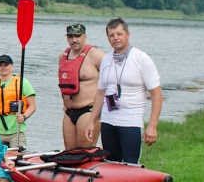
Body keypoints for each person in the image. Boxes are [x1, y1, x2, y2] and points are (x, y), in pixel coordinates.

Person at [86, 18, 162, 163]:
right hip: (108, 121)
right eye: (111, 35)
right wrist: (91, 122)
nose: (115, 38)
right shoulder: (106, 60)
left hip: (131, 121)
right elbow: (100, 93)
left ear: (128, 35)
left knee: (130, 165)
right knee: (110, 164)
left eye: (119, 34)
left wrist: (152, 126)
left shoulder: (141, 58)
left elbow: (156, 94)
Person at [59, 23, 105, 149]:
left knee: (84, 154)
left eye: (78, 36)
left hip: (88, 111)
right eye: (70, 36)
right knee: (69, 154)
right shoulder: (63, 56)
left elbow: (114, 77)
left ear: (85, 36)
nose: (74, 40)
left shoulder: (96, 55)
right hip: (69, 112)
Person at [0, 54, 37, 149]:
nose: (3, 68)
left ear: (12, 66)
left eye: (6, 65)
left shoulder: (23, 83)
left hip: (16, 130)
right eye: (0, 65)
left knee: (16, 157)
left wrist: (24, 116)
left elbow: (32, 106)